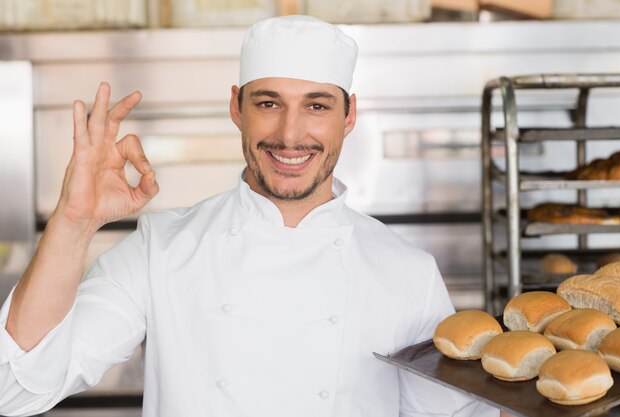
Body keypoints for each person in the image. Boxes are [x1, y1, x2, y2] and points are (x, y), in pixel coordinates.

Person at [0, 15, 507, 417]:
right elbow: (16, 390)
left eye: (316, 106)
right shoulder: (163, 249)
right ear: (236, 108)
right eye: (268, 103)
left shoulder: (408, 273)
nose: (290, 134)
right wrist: (73, 222)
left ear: (348, 116)